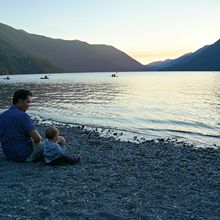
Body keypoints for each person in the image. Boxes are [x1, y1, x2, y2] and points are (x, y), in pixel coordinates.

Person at [0, 89, 43, 162]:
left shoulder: (2, 115)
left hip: (9, 156)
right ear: (20, 101)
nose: (29, 105)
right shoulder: (23, 116)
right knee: (51, 144)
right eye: (28, 102)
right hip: (25, 156)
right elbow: (37, 138)